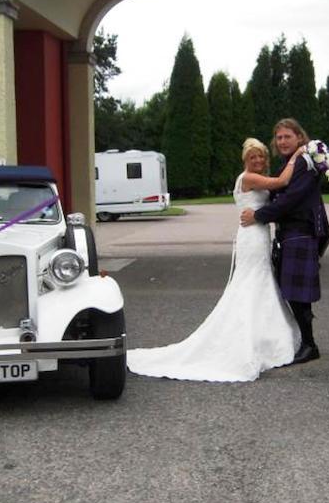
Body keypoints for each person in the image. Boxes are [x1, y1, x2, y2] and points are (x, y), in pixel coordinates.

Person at [127, 138, 302, 382]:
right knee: (251, 283)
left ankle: (264, 336)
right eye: (253, 157)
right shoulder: (248, 178)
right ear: (245, 160)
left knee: (259, 281)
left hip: (259, 233)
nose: (258, 160)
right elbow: (283, 182)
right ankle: (248, 338)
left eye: (261, 156)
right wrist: (299, 155)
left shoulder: (253, 178)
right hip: (252, 236)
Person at [240, 118, 329, 364]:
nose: (282, 142)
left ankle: (310, 345)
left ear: (299, 138)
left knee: (297, 293)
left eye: (287, 137)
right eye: (278, 137)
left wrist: (258, 215)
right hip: (289, 234)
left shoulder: (304, 162)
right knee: (291, 291)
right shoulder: (292, 162)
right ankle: (305, 341)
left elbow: (290, 198)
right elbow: (279, 191)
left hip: (300, 232)